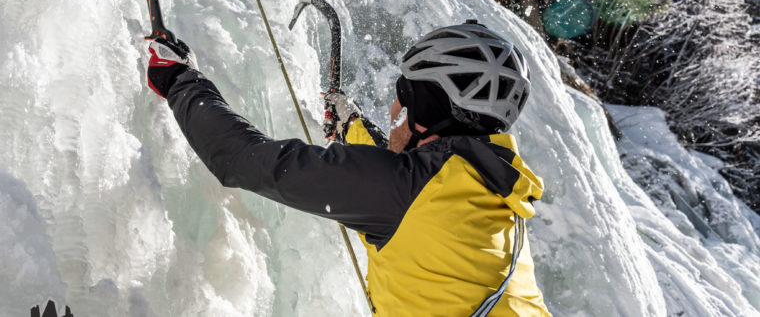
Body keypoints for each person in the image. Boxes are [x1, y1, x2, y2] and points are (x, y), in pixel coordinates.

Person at [146, 21, 551, 316]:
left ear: (427, 114)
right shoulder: (494, 187)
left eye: (405, 96)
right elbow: (399, 175)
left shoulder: (402, 189)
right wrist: (351, 125)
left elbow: (237, 157)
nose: (395, 108)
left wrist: (180, 79)